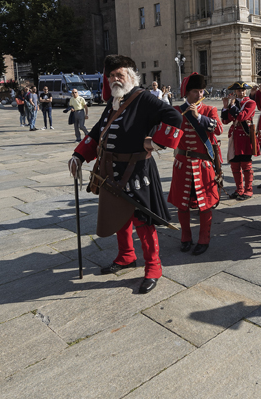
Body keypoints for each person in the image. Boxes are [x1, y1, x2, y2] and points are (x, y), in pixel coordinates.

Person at [69, 55, 183, 294]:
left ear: (131, 76)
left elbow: (175, 117)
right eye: (111, 76)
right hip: (110, 172)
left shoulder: (143, 98)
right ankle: (126, 256)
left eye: (119, 75)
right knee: (118, 218)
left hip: (137, 170)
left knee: (143, 222)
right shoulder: (114, 102)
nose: (115, 79)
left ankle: (154, 267)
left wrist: (156, 142)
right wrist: (79, 155)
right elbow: (97, 131)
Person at [170, 73, 223, 255]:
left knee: (205, 204)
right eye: (195, 91)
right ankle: (185, 237)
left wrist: (199, 117)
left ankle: (204, 238)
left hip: (203, 165)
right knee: (182, 204)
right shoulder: (177, 111)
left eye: (201, 91)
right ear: (187, 92)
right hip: (183, 164)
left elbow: (219, 129)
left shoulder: (209, 110)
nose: (199, 95)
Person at [221, 81, 258, 201]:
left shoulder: (250, 102)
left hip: (245, 137)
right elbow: (225, 121)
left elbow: (242, 116)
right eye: (238, 90)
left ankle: (248, 190)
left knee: (246, 165)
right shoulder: (234, 104)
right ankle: (239, 189)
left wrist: (232, 106)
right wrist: (225, 106)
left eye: (243, 90)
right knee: (235, 165)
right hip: (235, 137)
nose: (241, 92)